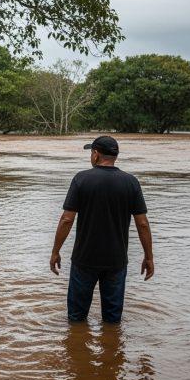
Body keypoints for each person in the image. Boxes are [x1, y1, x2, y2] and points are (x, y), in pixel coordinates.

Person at [50, 135, 154, 323]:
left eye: (91, 152)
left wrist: (55, 251)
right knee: (113, 321)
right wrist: (149, 257)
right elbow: (143, 223)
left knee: (76, 319)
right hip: (116, 261)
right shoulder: (131, 182)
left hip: (84, 260)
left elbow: (67, 219)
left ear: (96, 154)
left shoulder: (81, 179)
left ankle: (77, 350)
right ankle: (112, 350)